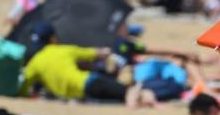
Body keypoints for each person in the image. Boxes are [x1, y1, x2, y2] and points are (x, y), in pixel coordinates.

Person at [22, 38, 156, 107]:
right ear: (52, 39)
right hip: (89, 81)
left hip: (80, 95)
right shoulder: (62, 49)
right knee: (130, 91)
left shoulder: (34, 63)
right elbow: (96, 53)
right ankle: (147, 99)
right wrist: (107, 52)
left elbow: (23, 86)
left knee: (119, 95)